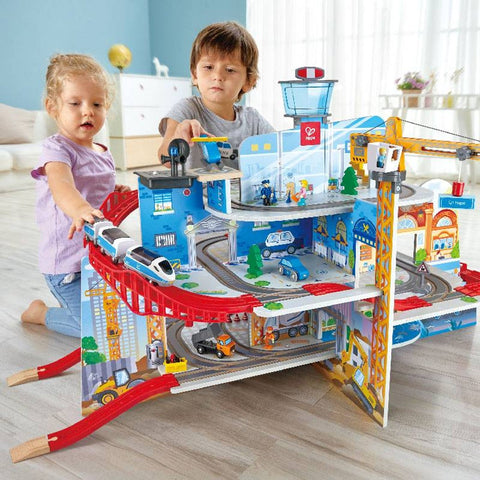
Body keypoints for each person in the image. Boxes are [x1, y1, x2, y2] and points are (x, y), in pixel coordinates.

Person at [21, 54, 130, 337]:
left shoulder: (103, 153)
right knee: (96, 328)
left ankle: (76, 307)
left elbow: (96, 191)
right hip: (67, 267)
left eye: (97, 104)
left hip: (100, 259)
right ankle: (41, 314)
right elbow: (62, 186)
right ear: (52, 107)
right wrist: (79, 209)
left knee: (125, 312)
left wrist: (114, 194)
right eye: (75, 103)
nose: (88, 112)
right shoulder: (57, 150)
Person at [158, 21, 274, 170]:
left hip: (237, 186)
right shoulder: (186, 109)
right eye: (208, 67)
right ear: (195, 75)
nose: (217, 76)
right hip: (196, 186)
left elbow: (281, 150)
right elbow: (165, 159)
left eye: (230, 70)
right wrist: (178, 138)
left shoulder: (253, 120)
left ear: (248, 81)